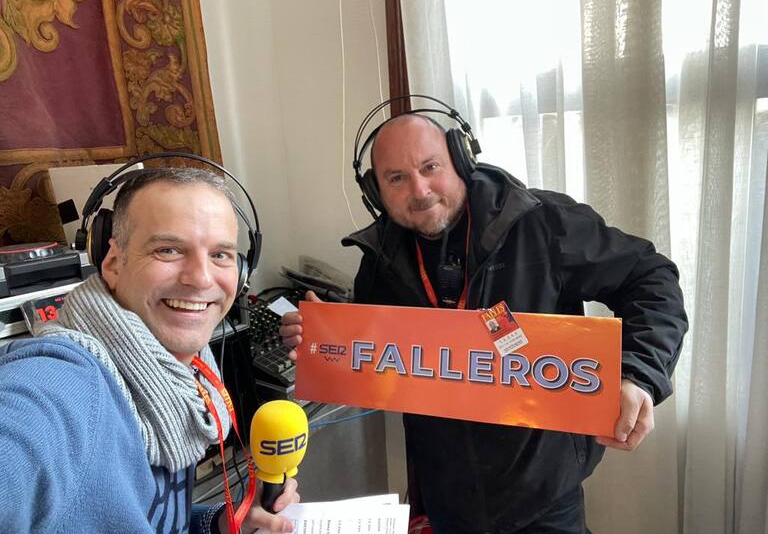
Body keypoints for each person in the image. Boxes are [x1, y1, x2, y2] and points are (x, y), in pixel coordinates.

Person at [280, 112, 688, 533]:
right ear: (375, 191)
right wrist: (323, 340)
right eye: (396, 178)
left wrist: (637, 374)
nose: (419, 190)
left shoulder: (540, 223)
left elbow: (650, 278)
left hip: (544, 497)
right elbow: (377, 363)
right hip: (447, 500)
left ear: (460, 159)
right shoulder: (381, 260)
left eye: (430, 167)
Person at [0, 168, 298, 533]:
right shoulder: (62, 385)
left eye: (220, 254)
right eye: (168, 250)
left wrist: (221, 524)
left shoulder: (180, 371)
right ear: (112, 263)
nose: (201, 278)